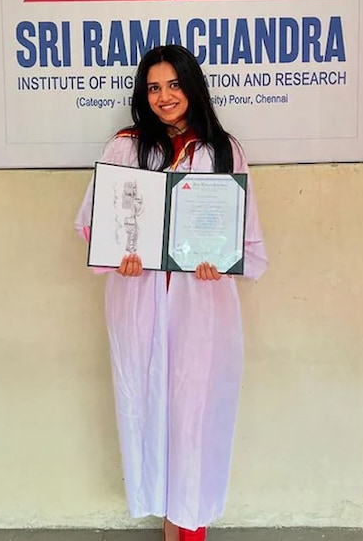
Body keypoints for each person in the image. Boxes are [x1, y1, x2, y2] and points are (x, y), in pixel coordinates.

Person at [74, 44, 267, 541]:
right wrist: (120, 255)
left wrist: (221, 265)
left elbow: (241, 231)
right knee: (149, 401)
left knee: (195, 409)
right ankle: (171, 520)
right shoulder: (125, 146)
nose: (164, 97)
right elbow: (96, 225)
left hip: (202, 302)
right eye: (154, 87)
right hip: (139, 297)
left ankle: (188, 524)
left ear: (192, 87)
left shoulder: (223, 150)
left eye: (174, 85)